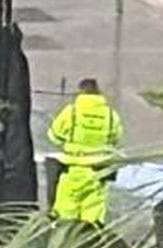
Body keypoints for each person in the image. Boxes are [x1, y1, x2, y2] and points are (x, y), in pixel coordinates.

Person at [48, 77, 124, 226]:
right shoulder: (110, 115)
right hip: (98, 173)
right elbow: (116, 138)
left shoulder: (71, 111)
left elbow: (54, 135)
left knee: (65, 219)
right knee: (93, 222)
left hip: (71, 171)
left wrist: (68, 142)